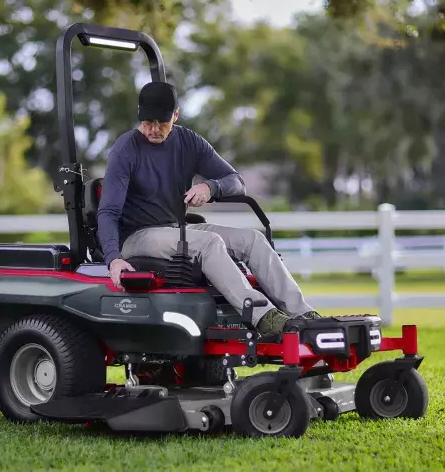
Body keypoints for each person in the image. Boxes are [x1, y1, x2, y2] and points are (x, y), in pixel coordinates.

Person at [96, 81, 318, 336]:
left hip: (176, 228)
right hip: (136, 236)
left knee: (253, 240)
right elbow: (108, 212)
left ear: (175, 116)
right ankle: (264, 317)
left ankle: (302, 313)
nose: (154, 129)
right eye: (148, 122)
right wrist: (114, 259)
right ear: (139, 115)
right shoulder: (125, 150)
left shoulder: (189, 141)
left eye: (162, 122)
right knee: (208, 242)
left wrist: (210, 188)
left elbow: (236, 181)